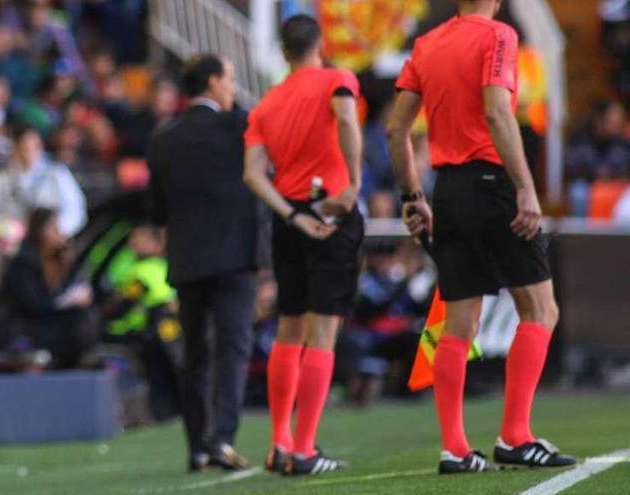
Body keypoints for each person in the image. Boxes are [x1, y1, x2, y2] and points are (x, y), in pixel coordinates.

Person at [387, 0, 577, 474]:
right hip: (494, 185)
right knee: (541, 309)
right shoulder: (499, 36)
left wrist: (413, 198)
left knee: (459, 325)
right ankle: (515, 436)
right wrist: (526, 188)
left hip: (446, 192)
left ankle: (455, 449)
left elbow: (396, 130)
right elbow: (497, 113)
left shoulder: (428, 44)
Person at [243, 15, 364, 476]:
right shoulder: (337, 79)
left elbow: (253, 174)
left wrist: (291, 214)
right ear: (320, 42)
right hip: (331, 211)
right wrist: (353, 184)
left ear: (283, 50)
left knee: (288, 331)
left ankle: (280, 443)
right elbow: (348, 119)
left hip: (289, 219)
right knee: (323, 334)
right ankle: (307, 448)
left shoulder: (267, 104)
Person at [148, 54, 266, 472]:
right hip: (236, 260)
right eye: (230, 79)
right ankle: (222, 439)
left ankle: (197, 446)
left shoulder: (163, 137)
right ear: (213, 82)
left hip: (187, 260)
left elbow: (157, 211)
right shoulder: (240, 126)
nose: (232, 88)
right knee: (233, 350)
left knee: (194, 354)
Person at [0, 208, 97, 369]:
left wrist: (69, 261)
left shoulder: (61, 259)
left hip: (52, 323)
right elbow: (35, 303)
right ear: (39, 230)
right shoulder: (24, 263)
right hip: (28, 327)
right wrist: (67, 301)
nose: (59, 233)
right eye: (53, 227)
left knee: (85, 315)